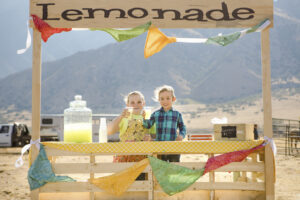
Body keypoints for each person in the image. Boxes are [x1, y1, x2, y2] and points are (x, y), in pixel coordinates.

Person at [107, 91, 155, 180]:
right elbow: (109, 131)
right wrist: (121, 116)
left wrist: (151, 138)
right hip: (125, 157)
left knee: (141, 184)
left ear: (144, 103)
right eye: (132, 102)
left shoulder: (148, 118)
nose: (136, 105)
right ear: (127, 104)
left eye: (139, 102)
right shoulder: (124, 118)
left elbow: (155, 136)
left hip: (143, 159)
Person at [143, 85, 186, 162]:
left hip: (174, 147)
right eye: (162, 99)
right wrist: (143, 118)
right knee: (161, 169)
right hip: (160, 148)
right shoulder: (156, 114)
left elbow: (182, 127)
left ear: (173, 99)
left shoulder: (177, 114)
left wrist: (181, 135)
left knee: (174, 169)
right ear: (158, 100)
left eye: (168, 98)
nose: (165, 101)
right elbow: (148, 125)